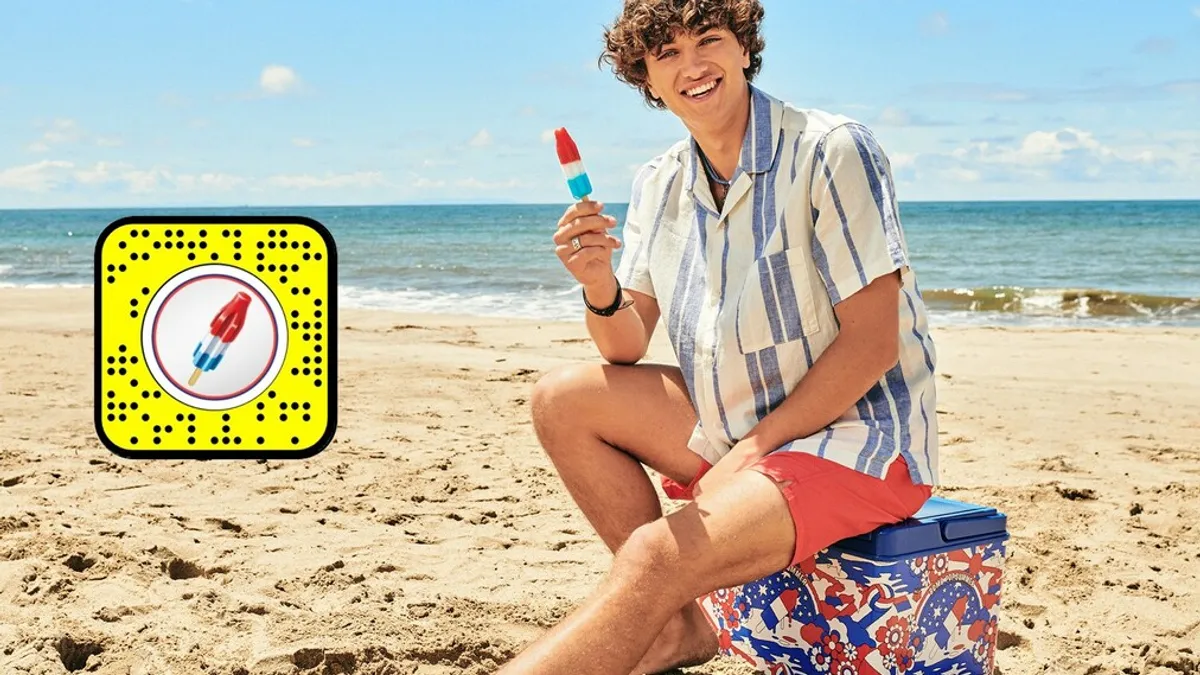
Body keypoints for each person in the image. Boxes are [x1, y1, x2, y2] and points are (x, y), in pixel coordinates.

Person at [499, 1, 939, 673]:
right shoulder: (659, 180)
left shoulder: (830, 148)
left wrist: (756, 452)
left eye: (708, 40)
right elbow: (624, 344)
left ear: (743, 49)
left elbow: (873, 343)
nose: (692, 65)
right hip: (737, 425)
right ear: (645, 76)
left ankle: (671, 597)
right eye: (667, 53)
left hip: (856, 442)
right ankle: (680, 629)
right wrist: (597, 282)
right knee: (561, 399)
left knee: (655, 553)